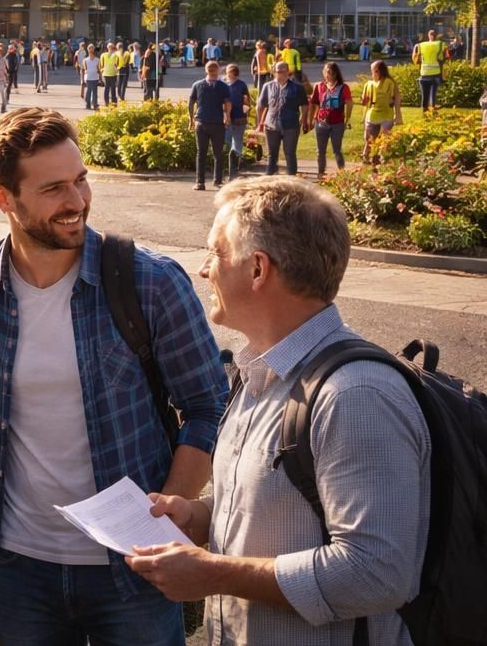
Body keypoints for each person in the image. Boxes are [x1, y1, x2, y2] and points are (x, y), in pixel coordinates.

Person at [0, 108, 228, 646]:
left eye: (81, 180)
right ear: (3, 198)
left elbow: (210, 406)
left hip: (132, 568)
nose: (76, 202)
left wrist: (162, 520)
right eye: (53, 189)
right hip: (16, 567)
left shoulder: (150, 282)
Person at [129, 178, 429, 645]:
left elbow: (377, 573)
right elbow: (288, 509)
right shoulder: (261, 371)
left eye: (215, 252)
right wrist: (199, 516)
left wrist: (215, 574)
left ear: (257, 270)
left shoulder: (355, 395)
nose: (205, 270)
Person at [188, 61, 232, 191]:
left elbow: (191, 103)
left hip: (202, 121)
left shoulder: (197, 85)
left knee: (201, 153)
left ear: (206, 70)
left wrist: (191, 119)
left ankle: (200, 182)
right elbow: (228, 104)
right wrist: (227, 117)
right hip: (215, 122)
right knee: (217, 153)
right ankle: (216, 181)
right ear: (218, 71)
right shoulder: (223, 86)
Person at [256, 61, 303, 176]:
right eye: (277, 72)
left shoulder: (297, 87)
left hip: (290, 125)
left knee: (290, 153)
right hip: (271, 125)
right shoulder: (268, 86)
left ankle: (292, 178)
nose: (280, 74)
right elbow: (260, 105)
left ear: (288, 72)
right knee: (272, 154)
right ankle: (270, 177)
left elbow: (305, 105)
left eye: (282, 71)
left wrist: (303, 119)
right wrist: (259, 123)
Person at [306, 61, 352, 179]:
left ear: (336, 73)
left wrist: (347, 118)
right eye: (326, 71)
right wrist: (310, 120)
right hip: (321, 122)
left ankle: (342, 173)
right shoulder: (319, 86)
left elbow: (349, 102)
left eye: (330, 71)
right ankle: (321, 173)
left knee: (337, 149)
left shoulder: (343, 87)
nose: (328, 74)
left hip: (337, 122)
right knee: (320, 150)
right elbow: (313, 103)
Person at [360, 60, 402, 165]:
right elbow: (365, 102)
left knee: (384, 138)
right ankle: (367, 156)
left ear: (377, 72)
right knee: (369, 138)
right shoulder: (369, 84)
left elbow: (397, 99)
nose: (372, 74)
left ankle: (380, 157)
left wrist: (398, 115)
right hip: (373, 114)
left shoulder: (390, 83)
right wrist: (364, 99)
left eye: (372, 72)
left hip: (386, 115)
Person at [223, 63, 252, 180]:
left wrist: (246, 109)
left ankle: (235, 165)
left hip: (239, 117)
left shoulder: (241, 85)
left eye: (231, 72)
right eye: (228, 71)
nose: (229, 74)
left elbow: (247, 100)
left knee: (238, 140)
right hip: (226, 117)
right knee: (227, 140)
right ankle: (228, 166)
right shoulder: (222, 84)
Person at [412, 27, 446, 112]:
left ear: (428, 36)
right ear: (436, 35)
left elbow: (415, 60)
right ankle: (432, 107)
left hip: (423, 74)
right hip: (435, 74)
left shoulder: (420, 45)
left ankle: (424, 109)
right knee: (433, 93)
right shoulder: (440, 45)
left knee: (425, 94)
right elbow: (443, 59)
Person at [80, 43, 101, 111]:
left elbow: (99, 70)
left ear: (94, 50)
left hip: (95, 78)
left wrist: (100, 79)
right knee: (88, 91)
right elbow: (82, 70)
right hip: (88, 78)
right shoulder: (85, 60)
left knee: (95, 92)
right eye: (90, 48)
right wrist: (82, 80)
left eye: (92, 48)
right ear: (88, 50)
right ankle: (88, 104)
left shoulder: (97, 60)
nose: (91, 50)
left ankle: (95, 104)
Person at [101, 42, 120, 106]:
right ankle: (110, 102)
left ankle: (110, 102)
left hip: (110, 73)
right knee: (109, 88)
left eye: (111, 47)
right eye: (110, 47)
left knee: (110, 88)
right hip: (109, 74)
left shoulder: (114, 55)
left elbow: (117, 63)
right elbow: (101, 64)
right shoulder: (105, 55)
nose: (111, 48)